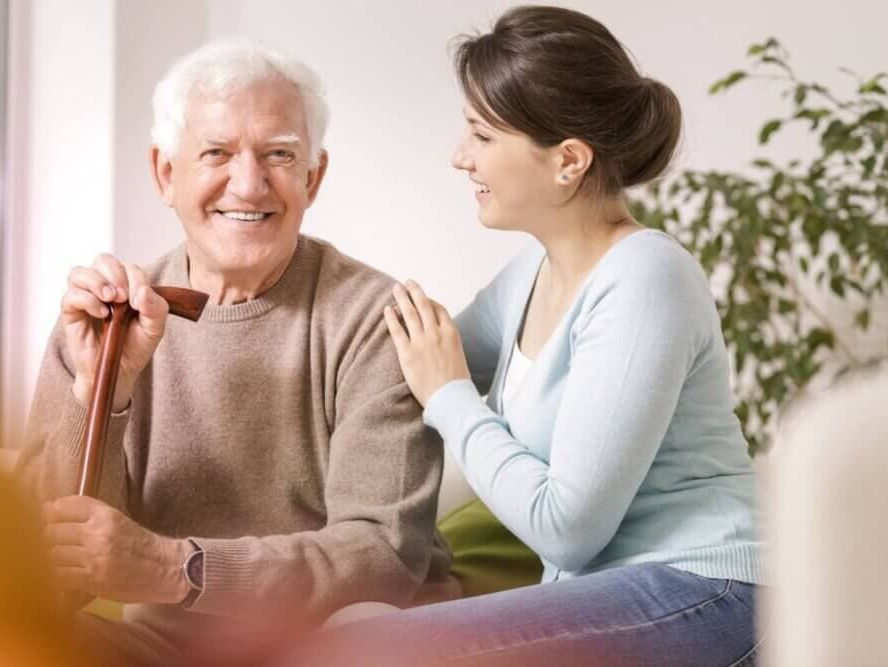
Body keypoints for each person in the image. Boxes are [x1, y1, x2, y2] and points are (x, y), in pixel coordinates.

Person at [282, 6, 765, 666]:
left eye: (481, 134)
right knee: (353, 620)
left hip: (706, 591)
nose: (459, 156)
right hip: (615, 594)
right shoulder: (531, 274)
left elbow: (567, 529)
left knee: (356, 650)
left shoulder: (647, 277)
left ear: (568, 160)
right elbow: (401, 366)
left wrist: (452, 397)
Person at [15, 40, 452, 666]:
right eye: (216, 153)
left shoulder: (375, 319)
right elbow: (38, 575)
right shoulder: (101, 321)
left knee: (367, 628)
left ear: (313, 177)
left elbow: (381, 559)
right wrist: (100, 395)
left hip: (332, 643)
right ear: (166, 173)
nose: (248, 185)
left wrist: (178, 569)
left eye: (279, 154)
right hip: (163, 649)